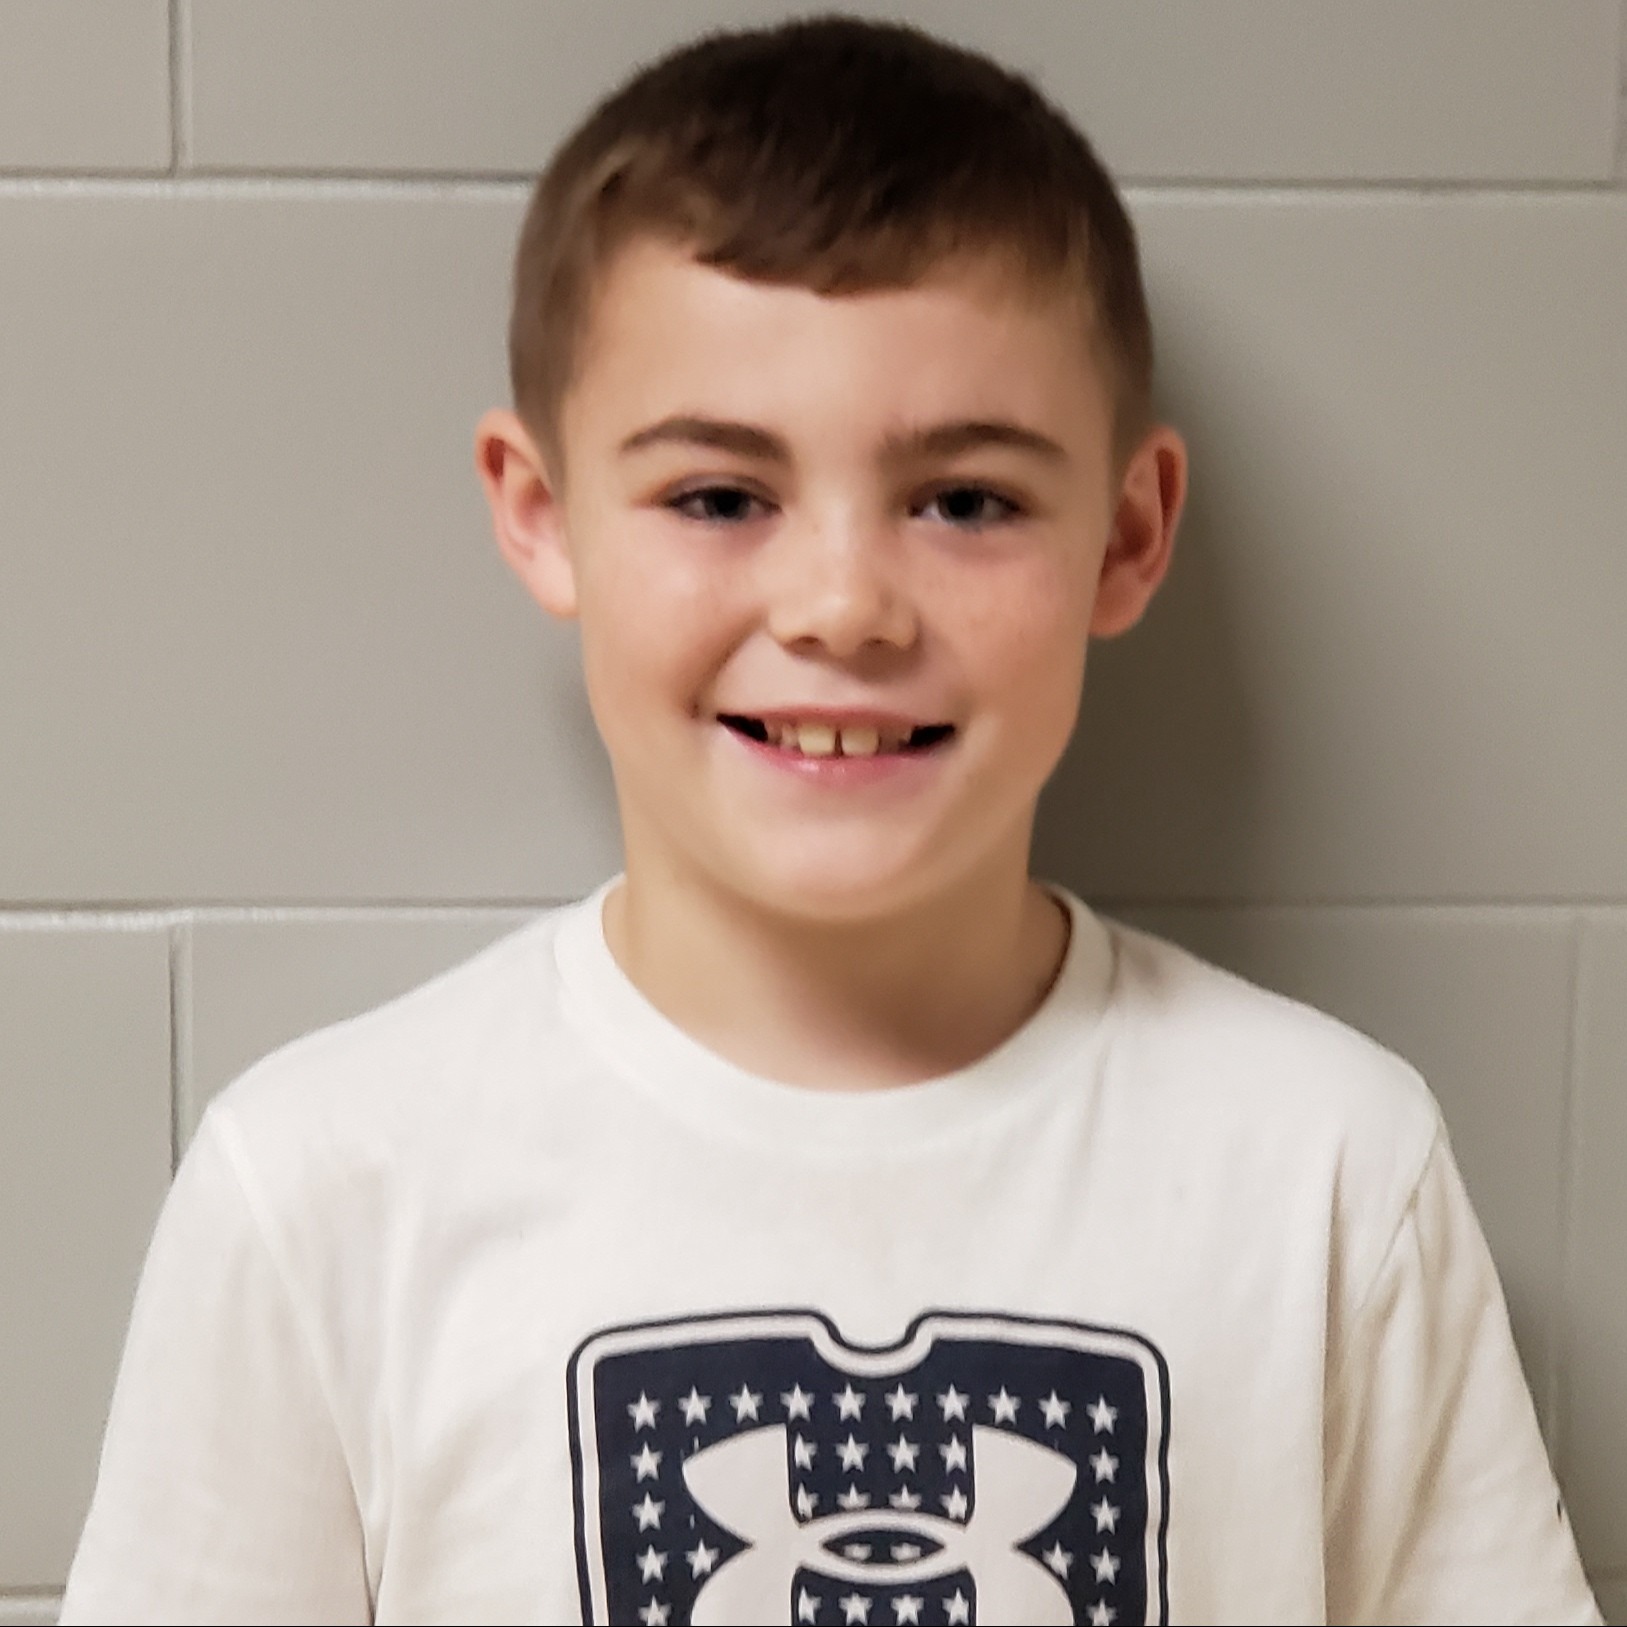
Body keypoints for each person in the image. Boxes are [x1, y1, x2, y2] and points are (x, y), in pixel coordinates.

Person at [61, 14, 1599, 1626]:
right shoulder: (321, 1195)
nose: (845, 604)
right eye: (720, 496)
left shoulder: (1332, 1171)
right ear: (542, 513)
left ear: (1127, 538)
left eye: (968, 500)